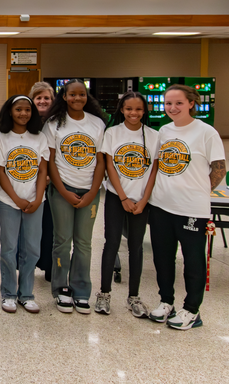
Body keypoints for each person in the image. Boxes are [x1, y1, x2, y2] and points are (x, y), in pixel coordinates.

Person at [147, 85, 225, 330]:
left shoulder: (206, 132)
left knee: (192, 261)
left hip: (192, 209)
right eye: (168, 103)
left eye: (178, 103)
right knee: (162, 258)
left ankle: (192, 309)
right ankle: (166, 301)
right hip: (161, 206)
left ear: (191, 103)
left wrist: (198, 191)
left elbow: (219, 169)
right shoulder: (164, 131)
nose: (172, 108)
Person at [44, 79, 106, 315]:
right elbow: (50, 161)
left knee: (84, 243)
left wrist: (93, 192)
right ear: (64, 96)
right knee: (62, 241)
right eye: (72, 94)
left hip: (89, 191)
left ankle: (81, 290)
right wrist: (63, 191)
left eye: (82, 94)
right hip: (62, 190)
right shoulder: (54, 124)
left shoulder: (97, 124)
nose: (77, 98)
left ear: (87, 96)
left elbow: (101, 161)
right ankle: (61, 289)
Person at [95, 92, 158, 318]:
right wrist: (122, 197)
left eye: (138, 109)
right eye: (129, 108)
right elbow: (110, 166)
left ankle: (134, 297)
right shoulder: (112, 133)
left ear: (144, 111)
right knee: (111, 243)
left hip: (142, 200)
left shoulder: (154, 136)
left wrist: (144, 200)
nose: (134, 113)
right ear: (121, 109)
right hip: (116, 196)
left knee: (136, 247)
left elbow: (154, 170)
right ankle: (104, 294)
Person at [0, 95, 48, 314]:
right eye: (18, 109)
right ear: (10, 111)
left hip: (35, 200)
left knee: (32, 249)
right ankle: (8, 293)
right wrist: (16, 199)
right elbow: (0, 171)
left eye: (27, 110)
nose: (23, 113)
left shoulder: (39, 137)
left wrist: (38, 198)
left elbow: (43, 170)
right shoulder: (0, 137)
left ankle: (26, 294)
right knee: (9, 248)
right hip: (8, 201)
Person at [29, 81, 55, 281]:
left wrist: (49, 176)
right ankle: (28, 265)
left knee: (51, 227)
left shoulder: (58, 122)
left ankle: (50, 266)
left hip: (54, 182)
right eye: (38, 98)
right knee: (31, 229)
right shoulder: (26, 120)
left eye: (46, 98)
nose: (43, 101)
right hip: (31, 181)